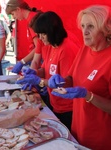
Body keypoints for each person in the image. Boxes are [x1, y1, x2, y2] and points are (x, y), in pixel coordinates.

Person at [47, 5, 111, 150]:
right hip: (79, 129)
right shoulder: (85, 49)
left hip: (101, 139)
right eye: (82, 26)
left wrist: (88, 95)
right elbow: (71, 78)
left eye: (91, 27)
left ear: (106, 29)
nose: (85, 32)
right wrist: (60, 81)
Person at [16, 11, 79, 131]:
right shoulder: (51, 46)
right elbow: (45, 69)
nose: (40, 38)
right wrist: (34, 73)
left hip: (67, 108)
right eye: (38, 34)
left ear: (52, 31)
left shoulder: (66, 50)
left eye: (42, 34)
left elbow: (66, 83)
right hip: (55, 102)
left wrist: (40, 81)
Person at [5, 0, 41, 74]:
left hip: (39, 61)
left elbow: (39, 47)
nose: (14, 17)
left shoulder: (32, 19)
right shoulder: (31, 18)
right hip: (36, 60)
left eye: (13, 13)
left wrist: (22, 62)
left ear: (18, 9)